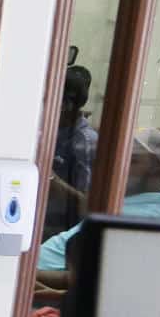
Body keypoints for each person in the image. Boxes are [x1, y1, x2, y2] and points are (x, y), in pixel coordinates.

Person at [24, 128, 160, 317]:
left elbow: (90, 278)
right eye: (124, 158)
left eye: (134, 160)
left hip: (44, 305)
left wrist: (27, 275)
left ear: (157, 170)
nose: (124, 167)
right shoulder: (120, 203)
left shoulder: (145, 224)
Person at [46, 66, 98, 238]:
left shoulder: (85, 142)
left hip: (62, 235)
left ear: (64, 105)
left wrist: (53, 181)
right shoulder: (51, 131)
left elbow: (88, 205)